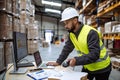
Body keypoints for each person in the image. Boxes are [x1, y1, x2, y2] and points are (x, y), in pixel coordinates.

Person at [46, 7, 111, 80]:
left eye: (67, 23)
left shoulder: (90, 32)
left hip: (102, 67)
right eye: (64, 23)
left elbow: (94, 54)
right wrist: (58, 62)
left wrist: (76, 60)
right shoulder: (72, 34)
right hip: (88, 66)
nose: (65, 26)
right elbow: (67, 49)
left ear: (75, 20)